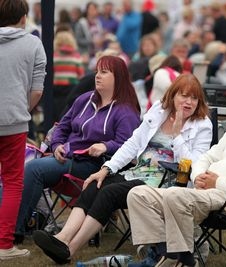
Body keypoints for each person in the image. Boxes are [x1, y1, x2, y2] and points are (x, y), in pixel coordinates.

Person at [32, 73, 213, 265]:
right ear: (173, 95)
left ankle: (70, 249)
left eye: (194, 98)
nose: (189, 101)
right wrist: (107, 168)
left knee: (109, 193)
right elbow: (133, 143)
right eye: (184, 95)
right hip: (140, 171)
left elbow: (193, 164)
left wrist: (177, 134)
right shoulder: (159, 111)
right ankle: (62, 238)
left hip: (167, 181)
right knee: (96, 184)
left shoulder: (202, 125)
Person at [126, 81, 226, 267]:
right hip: (207, 191)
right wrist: (198, 177)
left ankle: (182, 260)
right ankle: (165, 254)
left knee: (175, 195)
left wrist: (218, 183)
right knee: (138, 195)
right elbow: (208, 156)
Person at [14, 56, 141, 245]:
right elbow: (62, 127)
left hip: (96, 166)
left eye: (104, 72)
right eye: (97, 71)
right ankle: (16, 226)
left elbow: (129, 145)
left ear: (118, 77)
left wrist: (106, 146)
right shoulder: (84, 99)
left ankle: (14, 231)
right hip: (67, 158)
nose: (97, 76)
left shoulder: (126, 111)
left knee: (34, 168)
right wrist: (56, 146)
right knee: (30, 167)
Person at [0, 0, 46, 260]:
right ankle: (4, 244)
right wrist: (22, 109)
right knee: (12, 183)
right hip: (14, 122)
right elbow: (37, 90)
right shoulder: (33, 44)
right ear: (23, 17)